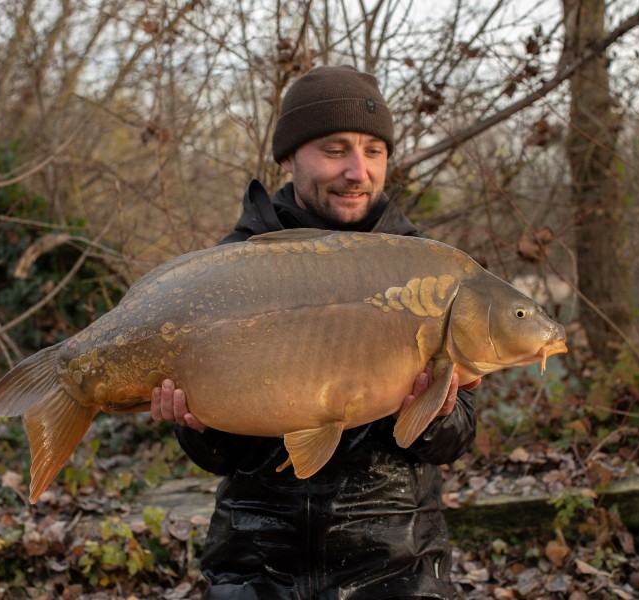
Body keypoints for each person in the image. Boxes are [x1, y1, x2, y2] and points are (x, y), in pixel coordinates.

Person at [151, 65, 478, 600]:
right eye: (335, 150)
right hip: (255, 565)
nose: (358, 171)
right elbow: (219, 459)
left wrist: (433, 411)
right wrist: (197, 423)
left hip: (395, 564)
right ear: (287, 157)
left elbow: (458, 439)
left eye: (374, 152)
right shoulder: (230, 267)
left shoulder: (426, 271)